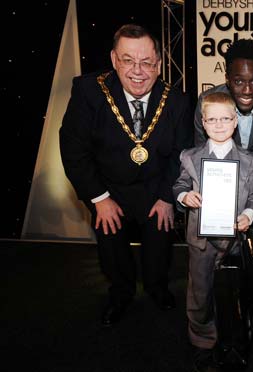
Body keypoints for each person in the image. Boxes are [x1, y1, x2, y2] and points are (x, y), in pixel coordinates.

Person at [59, 24, 193, 327]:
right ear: (114, 59)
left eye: (146, 62)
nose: (138, 71)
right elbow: (73, 150)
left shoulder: (177, 101)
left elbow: (181, 154)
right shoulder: (88, 92)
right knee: (112, 249)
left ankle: (157, 289)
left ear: (158, 65)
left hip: (156, 188)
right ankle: (120, 295)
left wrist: (166, 197)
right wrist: (99, 199)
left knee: (159, 249)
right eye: (128, 60)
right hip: (108, 188)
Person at [173, 92, 253, 372]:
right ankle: (202, 343)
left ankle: (235, 341)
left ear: (235, 122)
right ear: (203, 122)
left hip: (235, 241)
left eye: (226, 119)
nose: (219, 124)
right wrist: (184, 196)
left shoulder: (250, 160)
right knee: (199, 294)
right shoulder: (189, 157)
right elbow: (178, 185)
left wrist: (249, 214)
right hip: (201, 241)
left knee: (233, 295)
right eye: (213, 119)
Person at [194, 38, 253, 162]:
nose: (247, 91)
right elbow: (201, 149)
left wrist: (252, 173)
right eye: (239, 82)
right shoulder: (207, 102)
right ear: (227, 79)